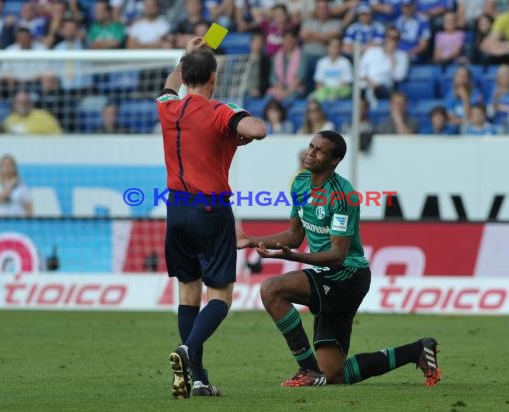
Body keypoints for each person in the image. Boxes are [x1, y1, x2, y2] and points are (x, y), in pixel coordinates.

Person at [237, 130, 441, 388]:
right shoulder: (300, 183)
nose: (310, 152)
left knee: (271, 289)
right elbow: (293, 234)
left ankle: (308, 369)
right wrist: (251, 240)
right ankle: (418, 350)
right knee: (334, 375)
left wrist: (295, 257)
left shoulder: (343, 195)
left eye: (319, 150)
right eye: (311, 146)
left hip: (347, 275)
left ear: (335, 161)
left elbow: (338, 255)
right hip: (328, 274)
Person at [156, 37, 267, 399]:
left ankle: (199, 379)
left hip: (176, 209)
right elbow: (258, 130)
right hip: (211, 209)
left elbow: (171, 84)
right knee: (220, 296)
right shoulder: (219, 110)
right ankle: (188, 352)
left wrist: (188, 55)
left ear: (186, 76)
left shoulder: (167, 107)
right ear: (213, 79)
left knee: (188, 293)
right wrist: (240, 121)